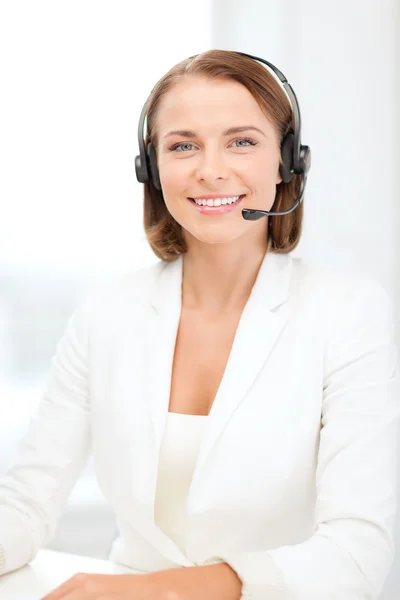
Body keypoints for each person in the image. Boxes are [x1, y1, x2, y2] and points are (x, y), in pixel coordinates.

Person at [0, 49, 399, 600]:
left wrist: (157, 592)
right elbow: (23, 504)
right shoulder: (105, 312)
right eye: (183, 145)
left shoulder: (348, 311)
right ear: (150, 168)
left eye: (241, 141)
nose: (210, 169)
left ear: (288, 162)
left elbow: (357, 553)